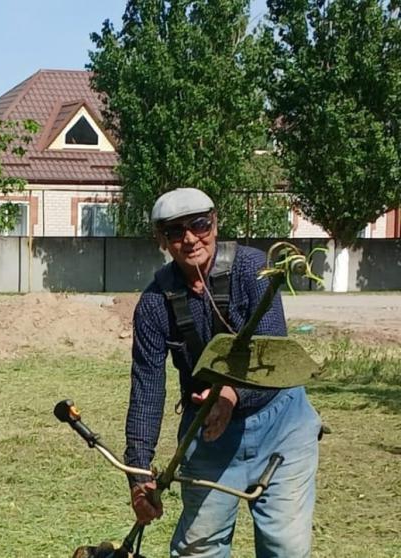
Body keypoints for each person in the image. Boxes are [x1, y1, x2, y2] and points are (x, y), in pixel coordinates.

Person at [125, 188, 321, 557]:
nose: (190, 238)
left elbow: (271, 352)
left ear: (215, 222)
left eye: (200, 224)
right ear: (161, 239)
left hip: (281, 425)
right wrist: (138, 476)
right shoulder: (153, 304)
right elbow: (147, 389)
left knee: (285, 546)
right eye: (174, 230)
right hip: (209, 432)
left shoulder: (253, 269)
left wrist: (231, 395)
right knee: (198, 549)